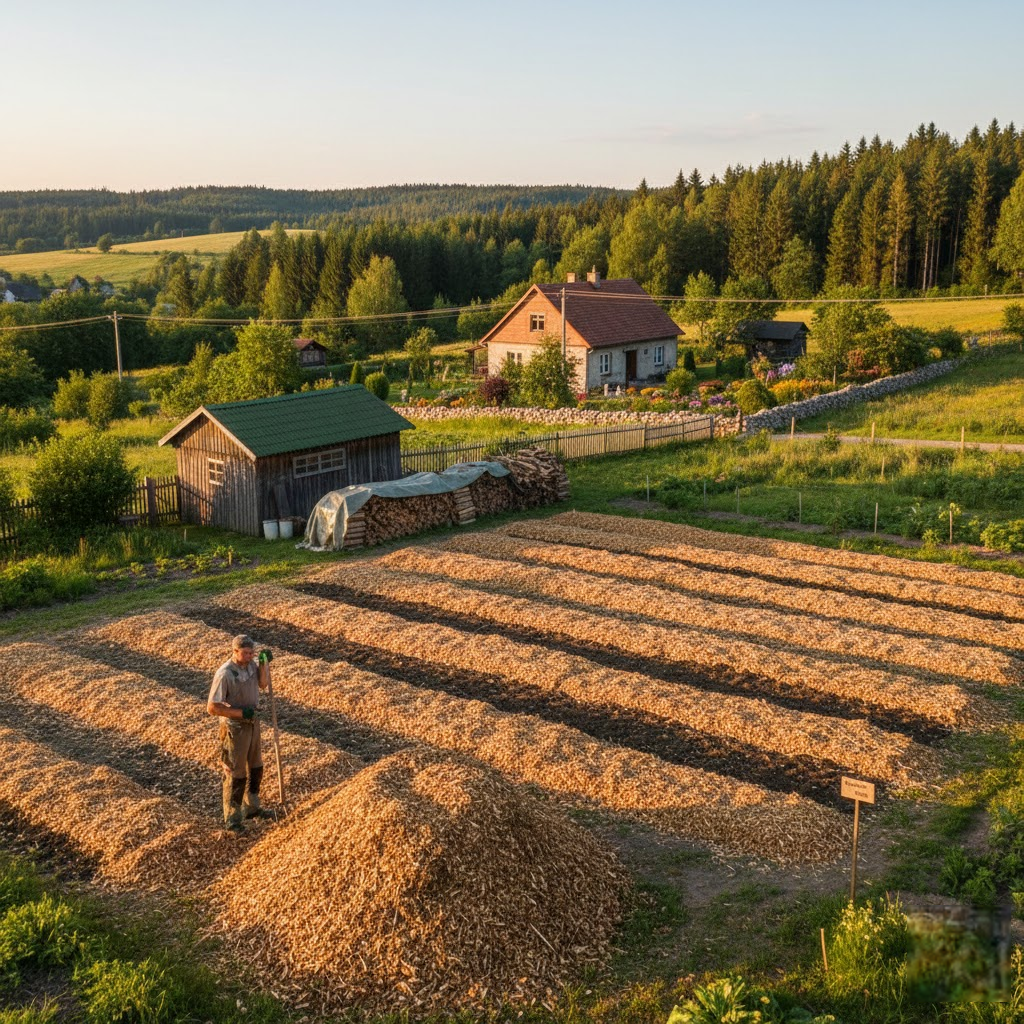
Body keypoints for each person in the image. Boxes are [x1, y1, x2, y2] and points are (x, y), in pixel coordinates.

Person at [207, 634, 273, 831]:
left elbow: (263, 684)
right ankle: (233, 818)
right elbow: (212, 707)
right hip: (234, 727)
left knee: (256, 766)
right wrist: (241, 713)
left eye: (252, 653)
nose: (249, 656)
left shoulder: (251, 665)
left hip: (253, 723)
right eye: (245, 653)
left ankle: (252, 807)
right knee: (236, 772)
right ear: (235, 651)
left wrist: (263, 664)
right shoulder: (225, 673)